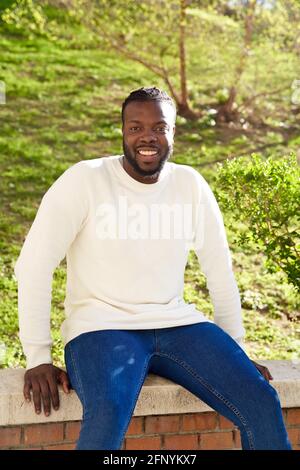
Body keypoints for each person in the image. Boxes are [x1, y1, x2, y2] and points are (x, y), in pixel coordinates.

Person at [14, 87, 292, 450]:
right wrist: (38, 357)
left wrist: (236, 351)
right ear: (123, 132)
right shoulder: (84, 180)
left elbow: (219, 271)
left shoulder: (190, 184)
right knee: (108, 410)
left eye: (160, 127)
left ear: (173, 133)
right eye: (136, 127)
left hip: (178, 324)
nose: (147, 136)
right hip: (102, 328)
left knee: (261, 400)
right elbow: (33, 265)